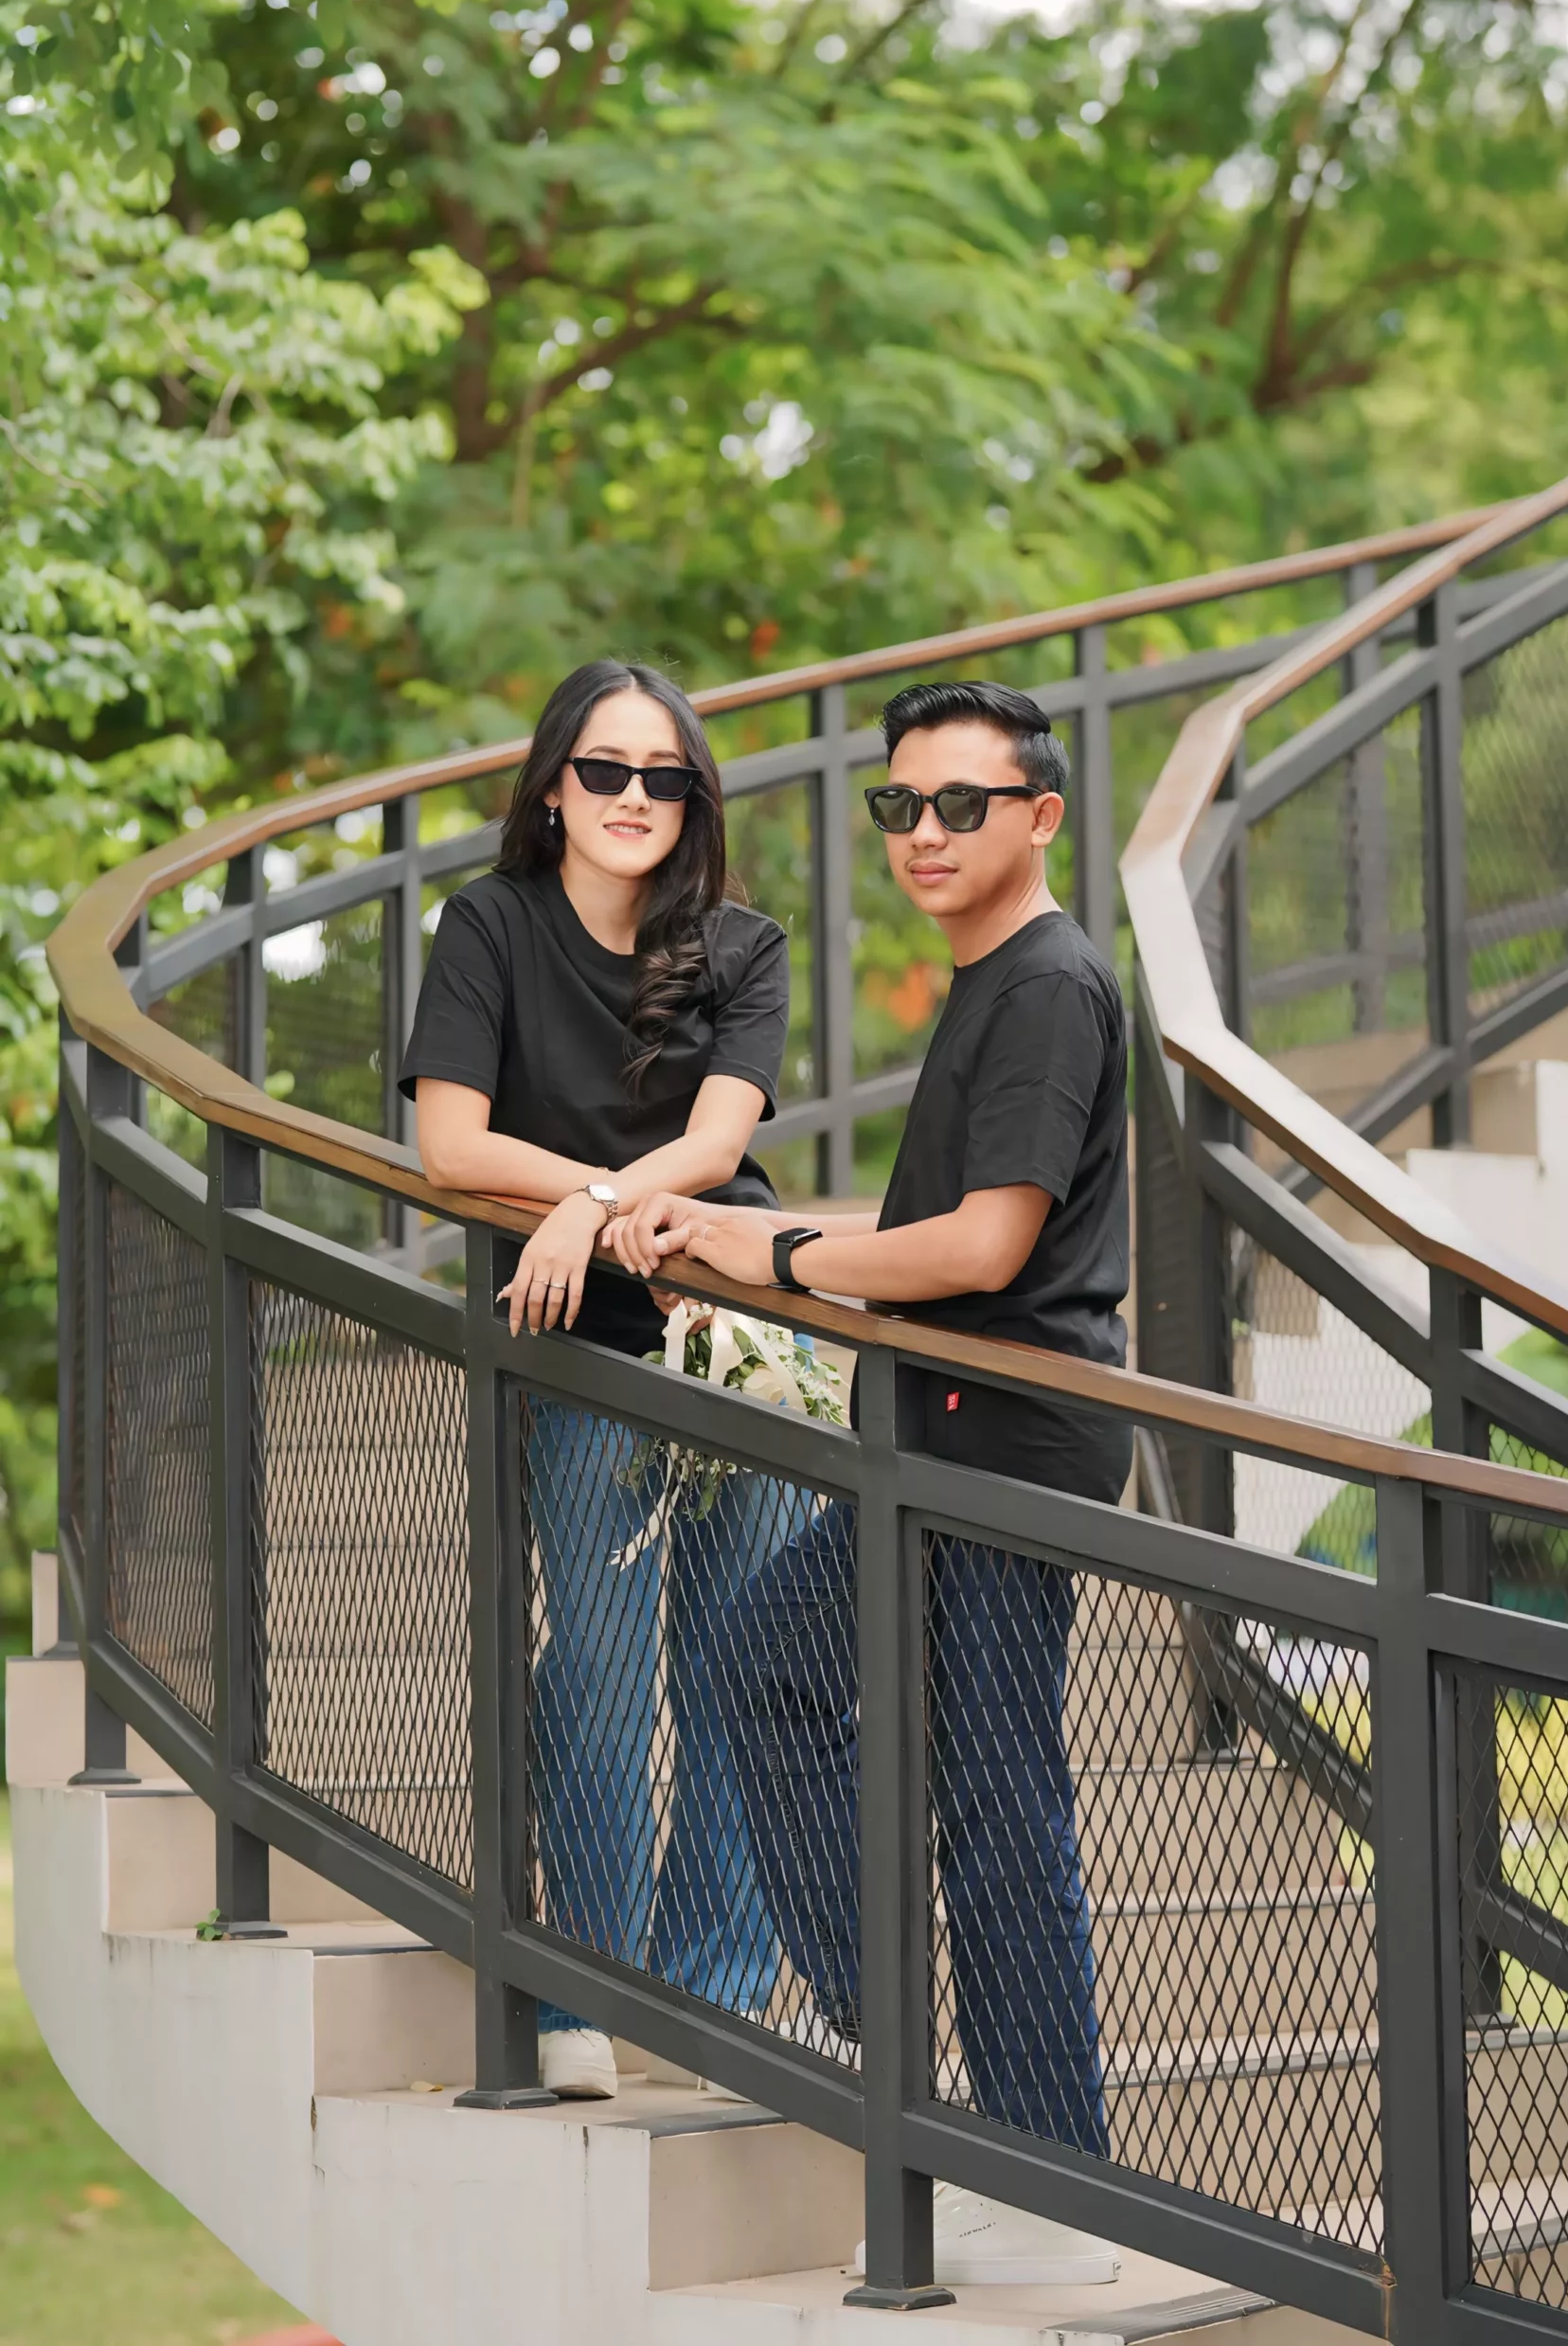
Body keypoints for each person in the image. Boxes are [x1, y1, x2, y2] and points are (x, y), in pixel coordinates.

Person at [606, 679, 1131, 2283]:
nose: (923, 832)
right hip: (949, 1431)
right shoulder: (991, 984)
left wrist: (774, 1253)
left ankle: (1054, 2188)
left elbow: (984, 1248)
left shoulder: (1047, 987)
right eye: (900, 805)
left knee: (996, 1795)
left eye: (961, 805)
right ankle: (883, 2027)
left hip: (1002, 1435)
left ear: (1039, 817)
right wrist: (753, 1240)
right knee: (779, 1670)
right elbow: (936, 1237)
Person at [402, 657, 793, 2102]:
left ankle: (715, 1995)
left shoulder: (743, 945)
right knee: (597, 1673)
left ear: (694, 799)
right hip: (573, 1340)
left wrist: (584, 1201)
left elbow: (717, 1148)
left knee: (746, 1668)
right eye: (605, 770)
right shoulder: (488, 926)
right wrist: (586, 1210)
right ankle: (582, 1992)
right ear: (554, 786)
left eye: (663, 776)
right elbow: (451, 1146)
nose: (634, 796)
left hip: (729, 1332)